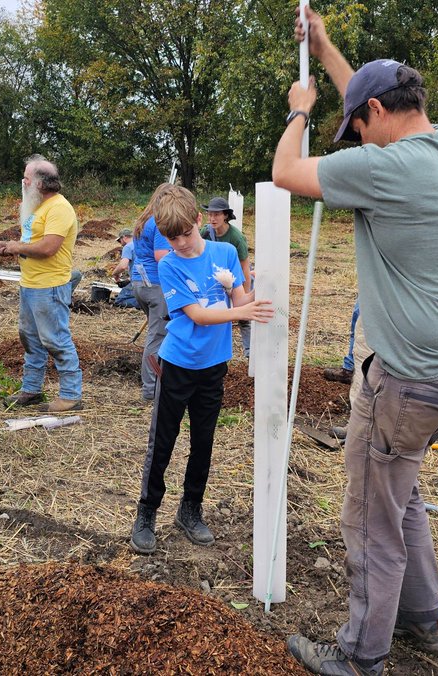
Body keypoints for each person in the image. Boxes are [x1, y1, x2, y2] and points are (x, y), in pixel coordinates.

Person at [274, 8, 438, 676]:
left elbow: (286, 173)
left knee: (370, 516)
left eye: (357, 128)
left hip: (403, 382)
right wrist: (327, 48)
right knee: (403, 495)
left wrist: (301, 112)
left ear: (375, 112)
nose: (357, 142)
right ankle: (426, 622)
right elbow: (368, 102)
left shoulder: (385, 173)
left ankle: (362, 652)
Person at [129, 185, 274, 555]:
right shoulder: (169, 264)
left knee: (203, 441)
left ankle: (190, 509)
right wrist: (241, 312)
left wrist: (267, 288)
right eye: (172, 237)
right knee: (162, 441)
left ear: (199, 221)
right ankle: (147, 512)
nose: (181, 243)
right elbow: (198, 315)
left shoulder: (224, 252)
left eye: (186, 234)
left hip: (213, 366)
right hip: (177, 364)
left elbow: (241, 298)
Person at [0, 155, 83, 412]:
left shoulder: (59, 208)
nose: (24, 182)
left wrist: (16, 247)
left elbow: (48, 248)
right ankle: (31, 389)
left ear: (40, 184)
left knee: (56, 340)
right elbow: (32, 242)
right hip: (31, 283)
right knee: (30, 340)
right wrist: (12, 248)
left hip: (50, 286)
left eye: (27, 179)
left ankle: (71, 395)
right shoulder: (39, 207)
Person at [130, 183, 174, 401]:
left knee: (158, 335)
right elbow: (162, 255)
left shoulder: (144, 219)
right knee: (157, 338)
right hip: (156, 284)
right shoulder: (160, 222)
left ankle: (158, 382)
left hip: (140, 283)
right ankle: (151, 389)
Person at [201, 196, 252, 358]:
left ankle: (249, 351)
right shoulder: (206, 232)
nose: (212, 218)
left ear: (225, 216)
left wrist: (244, 292)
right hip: (214, 278)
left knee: (243, 316)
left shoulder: (236, 238)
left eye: (216, 214)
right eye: (210, 214)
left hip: (234, 277)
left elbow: (245, 266)